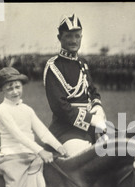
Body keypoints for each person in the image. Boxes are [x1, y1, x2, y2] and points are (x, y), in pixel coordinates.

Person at [43, 13, 107, 156]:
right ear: (59, 38)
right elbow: (60, 107)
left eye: (77, 36)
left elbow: (93, 91)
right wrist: (91, 119)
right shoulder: (53, 66)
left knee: (117, 155)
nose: (74, 40)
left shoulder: (82, 63)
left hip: (91, 128)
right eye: (69, 36)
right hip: (66, 130)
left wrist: (98, 107)